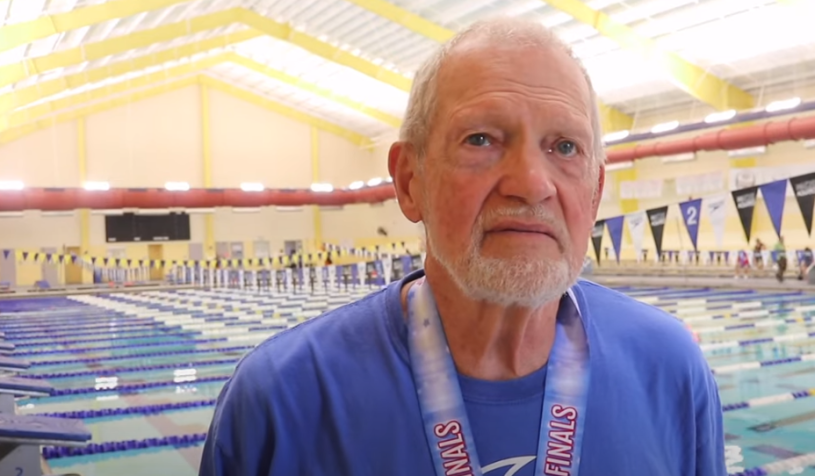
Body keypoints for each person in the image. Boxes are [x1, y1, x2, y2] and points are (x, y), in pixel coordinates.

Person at [200, 18, 724, 476]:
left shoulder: (673, 369)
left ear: (594, 191)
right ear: (410, 182)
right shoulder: (283, 400)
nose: (531, 182)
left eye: (565, 147)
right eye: (481, 139)